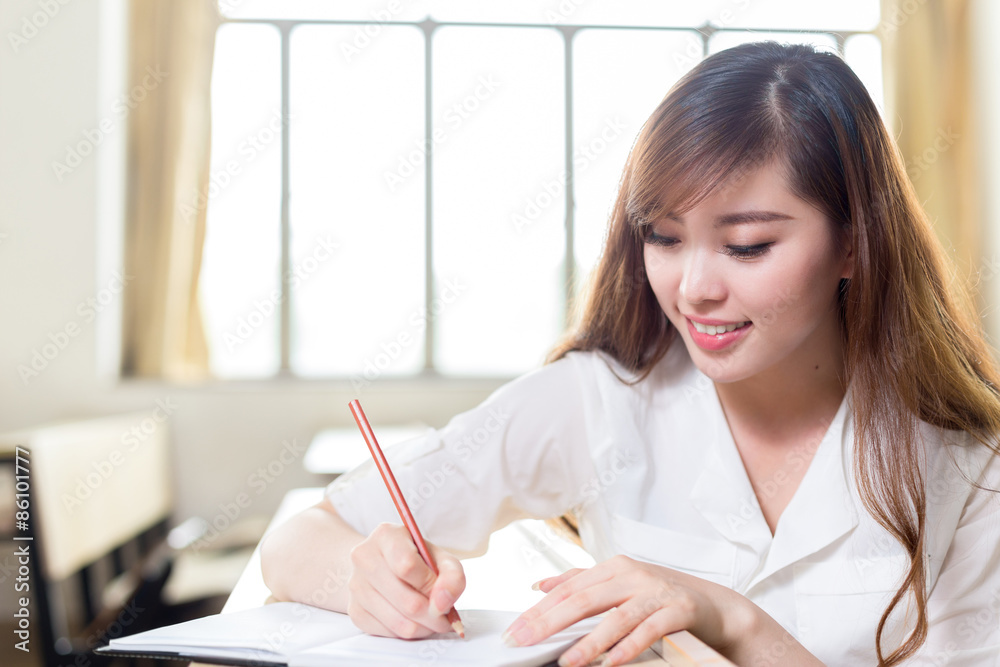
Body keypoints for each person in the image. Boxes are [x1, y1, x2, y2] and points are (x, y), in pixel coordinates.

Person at [260, 41, 1000, 666]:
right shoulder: (599, 399)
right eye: (664, 237)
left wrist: (729, 618)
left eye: (748, 245)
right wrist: (366, 580)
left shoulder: (969, 464)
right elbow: (302, 537)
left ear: (851, 242)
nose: (694, 288)